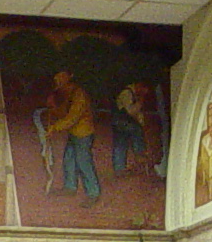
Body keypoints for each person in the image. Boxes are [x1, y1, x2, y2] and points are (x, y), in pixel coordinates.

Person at [45, 69, 100, 206]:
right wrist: (53, 107)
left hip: (83, 134)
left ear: (69, 76)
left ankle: (93, 193)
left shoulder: (79, 94)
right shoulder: (67, 93)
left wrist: (55, 127)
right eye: (56, 76)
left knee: (83, 161)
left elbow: (72, 117)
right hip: (74, 133)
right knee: (69, 158)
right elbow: (64, 113)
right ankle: (70, 187)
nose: (58, 79)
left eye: (61, 76)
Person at [112, 81, 150, 174]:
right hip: (121, 121)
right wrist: (140, 102)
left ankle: (122, 167)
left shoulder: (135, 95)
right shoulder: (127, 93)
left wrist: (142, 122)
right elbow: (131, 111)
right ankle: (138, 156)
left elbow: (138, 114)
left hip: (126, 122)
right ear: (139, 85)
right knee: (123, 142)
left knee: (121, 143)